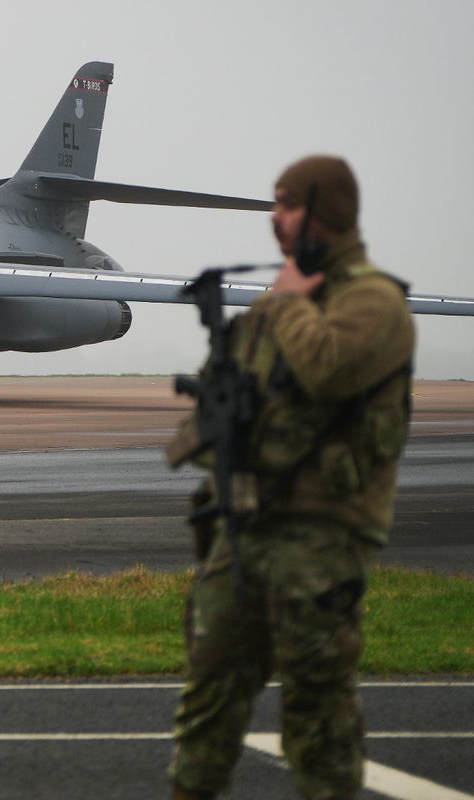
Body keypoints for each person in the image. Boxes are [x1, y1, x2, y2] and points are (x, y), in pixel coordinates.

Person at [166, 155, 416, 800]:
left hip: (321, 535)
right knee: (208, 696)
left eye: (286, 203)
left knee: (318, 709)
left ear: (325, 210)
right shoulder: (279, 299)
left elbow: (327, 369)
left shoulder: (373, 301)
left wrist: (289, 306)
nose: (273, 217)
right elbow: (225, 393)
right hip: (245, 529)